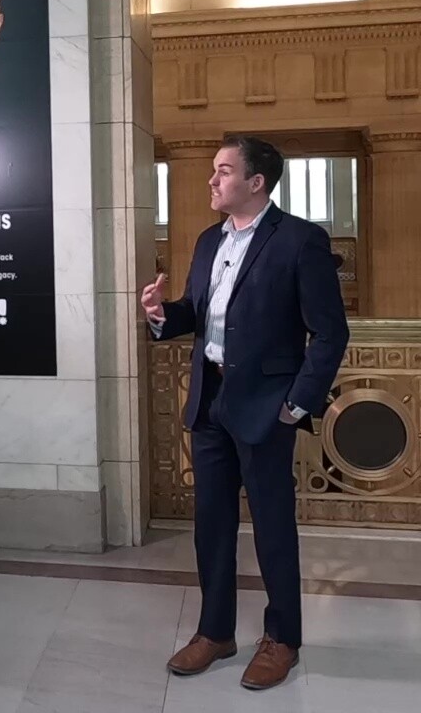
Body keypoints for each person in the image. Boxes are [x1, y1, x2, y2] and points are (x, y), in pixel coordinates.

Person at [141, 135, 348, 690]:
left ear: (256, 182)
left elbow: (330, 332)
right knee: (211, 524)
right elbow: (198, 312)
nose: (212, 180)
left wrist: (297, 403)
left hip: (267, 406)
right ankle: (215, 632)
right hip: (210, 400)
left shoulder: (300, 240)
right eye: (214, 170)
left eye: (224, 171)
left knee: (272, 527)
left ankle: (282, 639)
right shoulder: (209, 240)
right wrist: (161, 314)